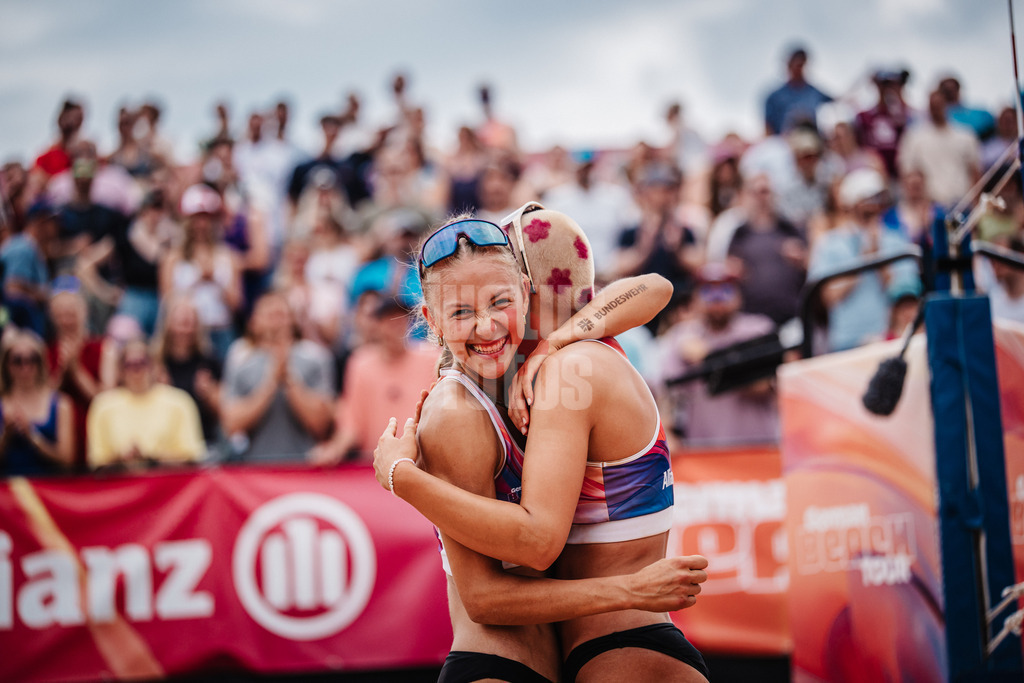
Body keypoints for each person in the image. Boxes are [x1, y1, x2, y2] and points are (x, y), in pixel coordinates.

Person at [375, 208, 710, 682]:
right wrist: (400, 478)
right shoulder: (460, 408)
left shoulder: (557, 368)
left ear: (526, 293)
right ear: (433, 319)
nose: (487, 326)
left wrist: (554, 342)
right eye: (462, 311)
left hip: (614, 649)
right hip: (516, 660)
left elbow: (654, 287)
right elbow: (493, 590)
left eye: (500, 301)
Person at [657, 263, 780, 446]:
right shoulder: (682, 336)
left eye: (725, 290)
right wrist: (666, 437)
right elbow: (668, 393)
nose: (717, 299)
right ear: (695, 298)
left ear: (739, 295)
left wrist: (708, 357)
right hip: (703, 451)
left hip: (758, 447)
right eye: (707, 291)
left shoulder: (759, 330)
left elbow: (762, 386)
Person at [308, 295, 437, 465]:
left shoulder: (431, 358)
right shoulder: (361, 363)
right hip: (375, 465)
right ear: (377, 325)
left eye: (400, 319)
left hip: (423, 463)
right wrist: (335, 449)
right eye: (389, 320)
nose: (395, 325)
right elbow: (352, 420)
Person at [808, 168, 920, 352]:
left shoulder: (897, 240)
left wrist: (879, 262)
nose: (873, 204)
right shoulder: (830, 244)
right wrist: (863, 260)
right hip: (846, 342)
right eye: (867, 198)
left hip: (890, 338)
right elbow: (828, 298)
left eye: (877, 198)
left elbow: (905, 294)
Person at [220, 291, 335, 462]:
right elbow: (231, 425)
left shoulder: (316, 358)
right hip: (256, 465)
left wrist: (289, 378)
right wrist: (270, 383)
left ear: (292, 320)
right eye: (269, 315)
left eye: (280, 314)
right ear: (254, 322)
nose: (275, 321)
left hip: (306, 465)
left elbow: (321, 425)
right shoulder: (241, 363)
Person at [86, 339, 205, 470]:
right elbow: (97, 463)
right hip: (119, 481)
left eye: (142, 363)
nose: (137, 371)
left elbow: (192, 458)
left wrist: (151, 460)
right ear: (120, 370)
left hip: (168, 481)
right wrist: (121, 460)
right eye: (129, 365)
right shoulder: (103, 406)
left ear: (154, 367)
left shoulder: (180, 402)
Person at [159, 184, 243, 361]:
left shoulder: (228, 256)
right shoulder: (173, 257)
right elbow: (167, 300)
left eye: (207, 218)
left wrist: (215, 281)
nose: (202, 224)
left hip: (220, 329)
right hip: (186, 334)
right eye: (197, 218)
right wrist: (197, 280)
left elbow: (236, 304)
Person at [46, 281, 116, 471]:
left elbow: (106, 400)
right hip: (59, 436)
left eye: (71, 314)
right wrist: (62, 374)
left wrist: (76, 372)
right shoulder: (45, 353)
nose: (66, 321)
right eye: (60, 315)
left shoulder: (103, 348)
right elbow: (43, 402)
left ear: (84, 313)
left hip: (94, 430)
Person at [152, 295, 223, 449]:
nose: (185, 330)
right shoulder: (155, 363)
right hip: (163, 445)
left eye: (190, 323)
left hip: (203, 442)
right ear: (168, 324)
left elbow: (224, 412)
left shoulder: (209, 362)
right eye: (181, 323)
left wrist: (209, 394)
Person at [0, 329, 74, 476]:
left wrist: (33, 436)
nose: (25, 367)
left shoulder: (60, 403)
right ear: (7, 365)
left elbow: (67, 461)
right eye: (17, 361)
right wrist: (6, 437)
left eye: (32, 359)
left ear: (41, 363)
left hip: (48, 486)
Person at [897, 90, 981, 208]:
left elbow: (975, 173)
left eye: (939, 105)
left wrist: (975, 204)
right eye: (933, 105)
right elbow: (907, 173)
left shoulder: (966, 136)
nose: (936, 109)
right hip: (930, 206)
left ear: (946, 105)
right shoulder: (914, 137)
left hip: (962, 203)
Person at [763, 45, 833, 136]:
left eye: (802, 65)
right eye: (796, 65)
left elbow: (837, 102)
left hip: (812, 140)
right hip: (783, 141)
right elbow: (768, 128)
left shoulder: (815, 93)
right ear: (789, 65)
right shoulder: (774, 97)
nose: (799, 69)